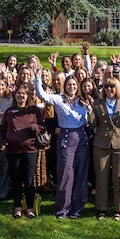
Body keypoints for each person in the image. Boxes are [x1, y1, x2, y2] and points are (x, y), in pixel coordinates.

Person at [33, 58, 90, 219]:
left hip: (81, 138)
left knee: (80, 174)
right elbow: (42, 95)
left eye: (74, 85)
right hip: (66, 137)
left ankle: (78, 209)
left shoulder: (81, 101)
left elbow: (86, 121)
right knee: (65, 173)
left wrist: (89, 109)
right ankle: (62, 209)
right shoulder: (59, 99)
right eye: (69, 85)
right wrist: (38, 78)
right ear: (65, 87)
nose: (72, 87)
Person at [87, 77, 120, 221]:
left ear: (118, 88)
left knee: (119, 177)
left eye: (112, 87)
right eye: (107, 87)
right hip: (101, 144)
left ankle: (118, 209)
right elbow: (92, 124)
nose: (109, 89)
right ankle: (101, 209)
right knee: (101, 177)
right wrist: (89, 111)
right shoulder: (97, 104)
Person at [0, 84, 45, 218]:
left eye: (23, 94)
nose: (21, 96)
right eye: (18, 93)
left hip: (30, 150)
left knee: (29, 180)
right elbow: (2, 129)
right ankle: (17, 207)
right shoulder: (9, 111)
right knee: (16, 179)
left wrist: (35, 127)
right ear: (15, 95)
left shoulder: (34, 110)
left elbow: (43, 127)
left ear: (28, 96)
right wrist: (2, 143)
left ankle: (30, 208)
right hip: (13, 151)